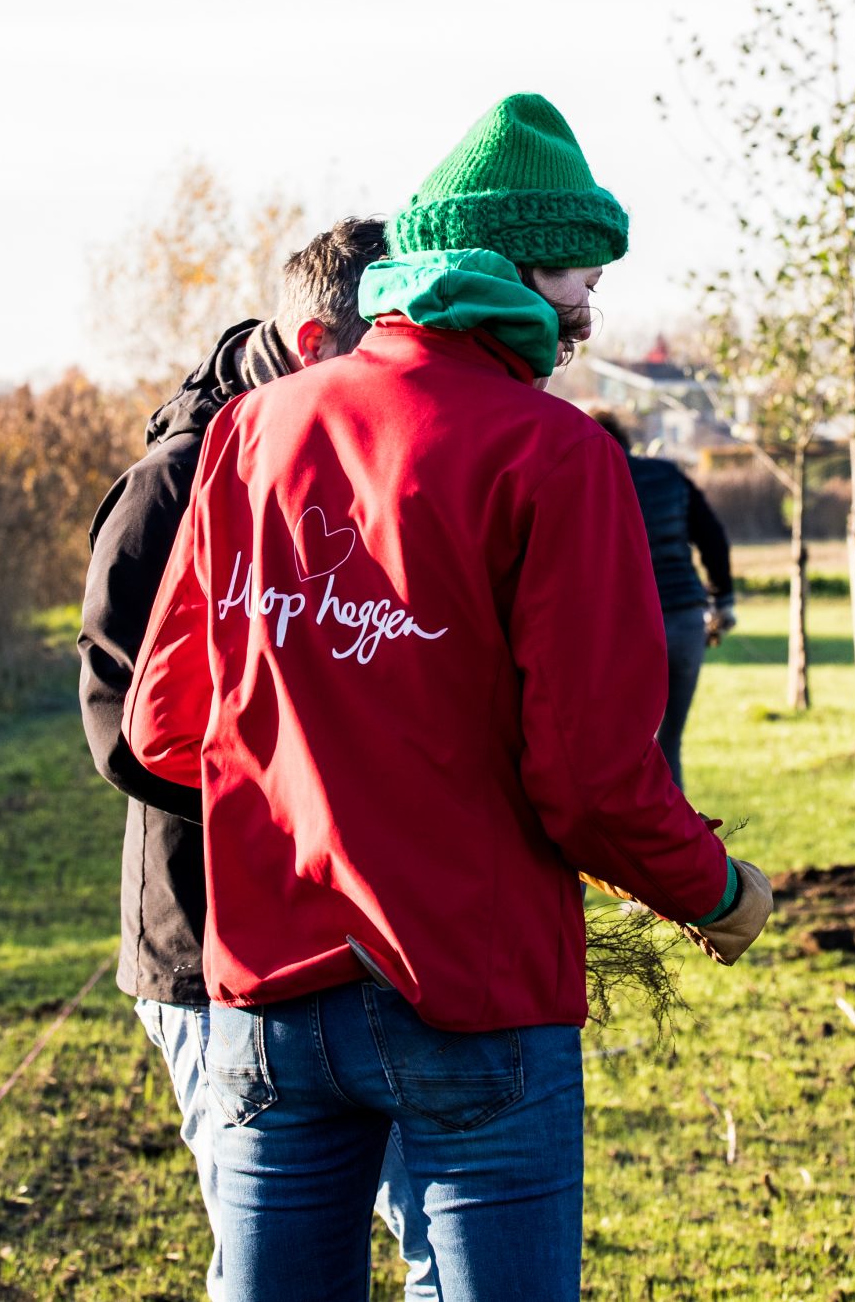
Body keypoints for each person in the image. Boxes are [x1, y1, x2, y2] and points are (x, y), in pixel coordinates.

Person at [126, 92, 772, 1302]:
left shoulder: (253, 434)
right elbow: (589, 783)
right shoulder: (555, 456)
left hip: (271, 996)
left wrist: (317, 757)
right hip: (470, 994)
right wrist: (717, 892)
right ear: (511, 270)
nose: (590, 310)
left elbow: (166, 726)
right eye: (582, 276)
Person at [75, 215, 388, 1292]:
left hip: (342, 935)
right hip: (207, 941)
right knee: (270, 1265)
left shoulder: (338, 457)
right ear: (313, 348)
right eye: (380, 347)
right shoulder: (173, 484)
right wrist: (303, 791)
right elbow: (121, 726)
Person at [586, 410, 736, 791]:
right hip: (686, 620)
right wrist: (724, 601)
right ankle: (683, 845)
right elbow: (713, 538)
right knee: (669, 745)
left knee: (624, 750)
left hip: (629, 627)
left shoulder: (592, 478)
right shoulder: (669, 476)